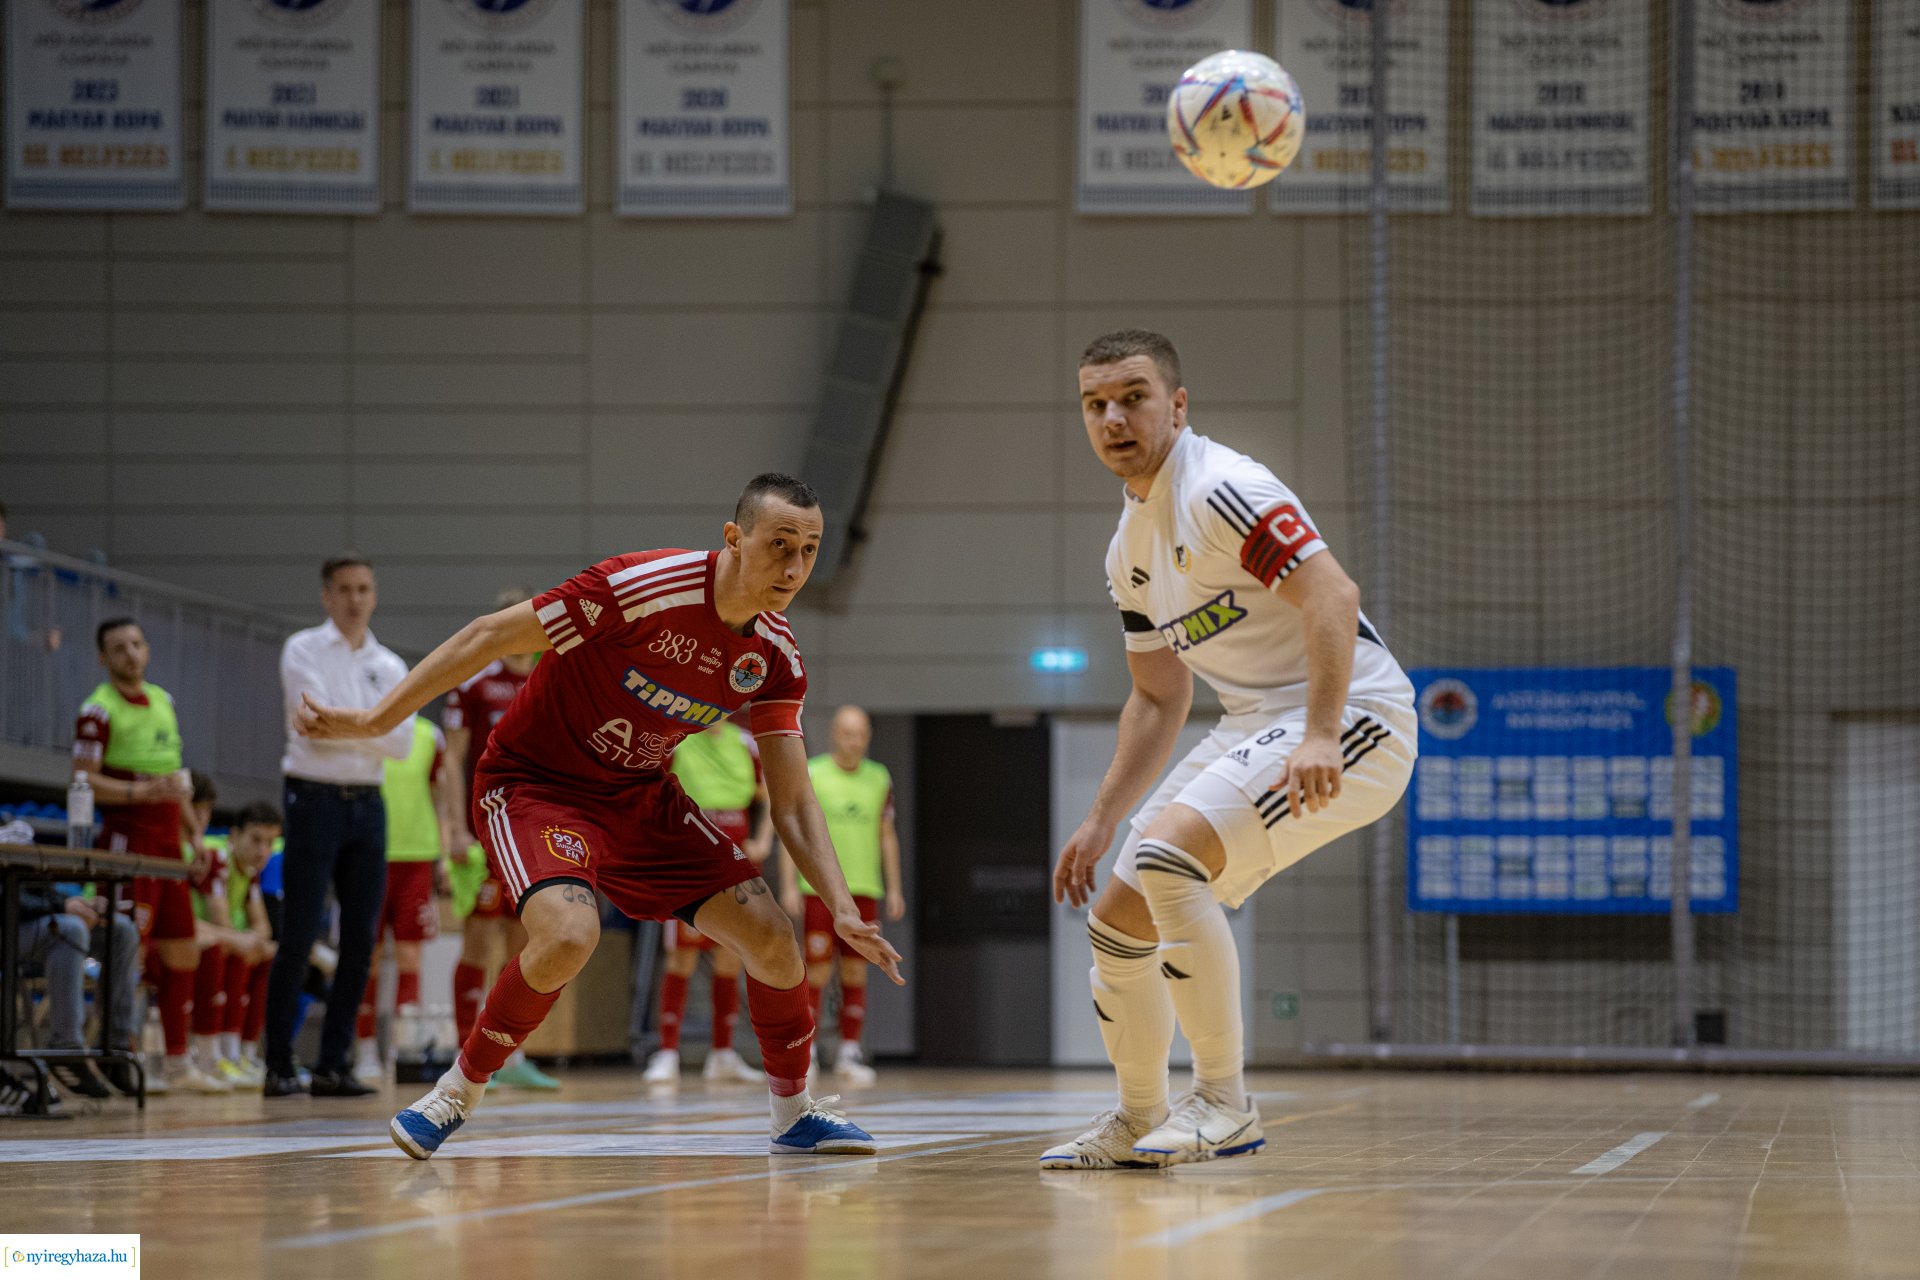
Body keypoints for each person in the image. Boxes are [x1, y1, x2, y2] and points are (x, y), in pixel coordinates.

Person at [298, 473, 902, 1161]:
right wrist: (377, 720)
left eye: (810, 550)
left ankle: (794, 1114)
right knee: (569, 935)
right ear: (734, 539)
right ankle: (457, 1091)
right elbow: (490, 634)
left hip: (640, 797)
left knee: (772, 937)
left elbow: (790, 799)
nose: (793, 567)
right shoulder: (643, 586)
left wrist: (841, 904)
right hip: (536, 785)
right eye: (780, 544)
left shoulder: (775, 655)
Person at [1043, 330, 1417, 1170]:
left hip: (1358, 714)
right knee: (1117, 919)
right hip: (1254, 722)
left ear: (1177, 406)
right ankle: (1139, 1115)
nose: (1113, 418)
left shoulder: (1223, 488)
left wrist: (1321, 732)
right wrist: (1101, 820)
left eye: (1133, 397)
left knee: (1170, 862)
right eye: (1095, 404)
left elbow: (1333, 595)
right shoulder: (1128, 550)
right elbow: (1157, 696)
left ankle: (1224, 1103)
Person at [264, 554, 414, 1099]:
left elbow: (403, 744)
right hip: (313, 798)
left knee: (361, 940)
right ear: (327, 595)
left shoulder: (391, 665)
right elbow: (311, 727)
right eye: (345, 589)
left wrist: (344, 724)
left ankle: (333, 1064)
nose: (355, 599)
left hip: (368, 803)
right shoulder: (302, 649)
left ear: (374, 595)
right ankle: (278, 1064)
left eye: (364, 589)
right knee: (300, 933)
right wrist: (373, 725)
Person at [71, 617, 222, 1094]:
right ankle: (121, 1054)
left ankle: (177, 1061)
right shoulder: (97, 710)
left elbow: (176, 781)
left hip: (168, 848)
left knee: (182, 949)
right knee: (127, 952)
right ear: (103, 658)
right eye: (118, 648)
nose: (130, 654)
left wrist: (195, 836)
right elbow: (82, 779)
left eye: (136, 644)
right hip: (127, 844)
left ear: (148, 650)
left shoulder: (163, 702)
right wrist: (141, 792)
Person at [441, 587, 558, 1091]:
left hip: (533, 830)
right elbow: (451, 759)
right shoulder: (475, 682)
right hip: (484, 828)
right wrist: (454, 827)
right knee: (477, 939)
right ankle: (464, 1051)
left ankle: (512, 1055)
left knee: (525, 942)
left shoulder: (552, 674)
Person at [643, 718, 774, 1085]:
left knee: (730, 955)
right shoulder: (677, 739)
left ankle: (723, 1053)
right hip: (688, 860)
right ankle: (667, 1052)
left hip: (735, 860)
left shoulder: (746, 743)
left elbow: (771, 793)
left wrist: (764, 840)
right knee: (681, 956)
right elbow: (649, 789)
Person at [778, 705, 903, 1087]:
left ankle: (849, 1052)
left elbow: (886, 835)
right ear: (834, 733)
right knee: (816, 971)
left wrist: (894, 888)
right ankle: (809, 1051)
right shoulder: (813, 772)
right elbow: (793, 830)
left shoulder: (879, 777)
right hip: (819, 889)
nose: (855, 741)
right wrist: (788, 884)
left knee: (856, 969)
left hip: (864, 887)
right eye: (848, 733)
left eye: (861, 734)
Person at [353, 715, 456, 1085]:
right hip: (372, 852)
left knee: (410, 956)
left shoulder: (431, 735)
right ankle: (365, 1048)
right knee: (369, 955)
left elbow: (440, 799)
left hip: (417, 856)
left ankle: (402, 1047)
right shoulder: (368, 724)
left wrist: (444, 855)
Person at [15, 879, 142, 1100]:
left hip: (30, 916)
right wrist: (61, 906)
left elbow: (33, 887)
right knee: (72, 929)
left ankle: (115, 1048)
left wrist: (80, 904)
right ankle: (66, 1048)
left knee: (123, 930)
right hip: (10, 920)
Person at [203, 803, 282, 1079]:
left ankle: (246, 1054)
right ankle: (224, 1053)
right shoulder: (217, 857)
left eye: (270, 843)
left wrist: (253, 941)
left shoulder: (249, 870)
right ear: (234, 835)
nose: (263, 850)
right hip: (194, 936)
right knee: (236, 951)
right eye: (256, 839)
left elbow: (264, 927)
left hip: (219, 940)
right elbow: (221, 923)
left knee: (267, 953)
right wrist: (248, 940)